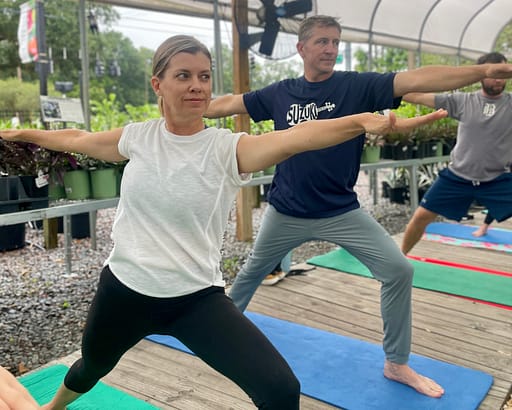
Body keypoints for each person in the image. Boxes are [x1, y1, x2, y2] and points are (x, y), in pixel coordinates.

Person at [0, 35, 445, 410]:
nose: (196, 86)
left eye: (204, 76)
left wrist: (360, 122)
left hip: (195, 300)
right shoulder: (138, 136)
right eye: (183, 75)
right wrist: (19, 134)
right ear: (158, 83)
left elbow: (297, 137)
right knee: (91, 366)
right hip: (125, 290)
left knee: (280, 389)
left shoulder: (227, 147)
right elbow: (75, 139)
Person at [205, 15, 512, 398]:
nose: (331, 49)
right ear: (301, 49)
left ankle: (396, 363)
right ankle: (215, 338)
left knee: (398, 270)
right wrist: (188, 104)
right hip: (285, 212)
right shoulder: (281, 93)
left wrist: (483, 71)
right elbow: (233, 103)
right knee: (249, 275)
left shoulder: (358, 86)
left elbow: (416, 80)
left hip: (341, 213)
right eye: (322, 42)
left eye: (335, 42)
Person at [401, 51, 512, 254]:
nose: (498, 78)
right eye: (494, 72)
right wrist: (386, 88)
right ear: (480, 74)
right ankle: (399, 261)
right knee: (420, 217)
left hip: (497, 178)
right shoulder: (463, 101)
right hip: (457, 177)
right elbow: (416, 96)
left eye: (503, 72)